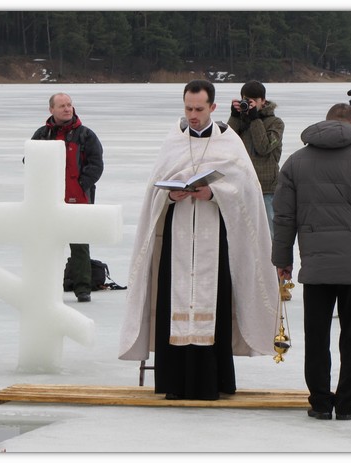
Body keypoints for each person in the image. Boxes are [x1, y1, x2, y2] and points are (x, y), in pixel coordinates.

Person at [118, 79, 278, 401]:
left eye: (199, 109)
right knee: (173, 299)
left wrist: (214, 192)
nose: (193, 115)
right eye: (188, 108)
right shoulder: (172, 141)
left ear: (213, 108)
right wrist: (171, 196)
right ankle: (173, 382)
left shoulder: (229, 143)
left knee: (213, 300)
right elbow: (153, 193)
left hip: (213, 236)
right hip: (177, 238)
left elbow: (247, 190)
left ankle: (212, 381)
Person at [272, 103, 351, 420]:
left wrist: (283, 259)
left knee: (317, 338)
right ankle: (347, 404)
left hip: (315, 267)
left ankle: (320, 403)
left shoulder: (295, 163)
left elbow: (283, 218)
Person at [31, 93, 104, 303]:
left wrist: (81, 185)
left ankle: (82, 288)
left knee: (80, 245)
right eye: (62, 106)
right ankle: (44, 285)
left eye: (69, 105)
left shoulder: (86, 135)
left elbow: (96, 165)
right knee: (47, 244)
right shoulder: (42, 135)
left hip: (78, 200)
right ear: (51, 110)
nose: (67, 109)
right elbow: (30, 161)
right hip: (49, 200)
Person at [227, 80, 284, 238]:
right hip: (242, 186)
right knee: (242, 235)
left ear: (263, 101)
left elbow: (263, 147)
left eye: (253, 101)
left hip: (266, 189)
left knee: (269, 235)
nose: (249, 105)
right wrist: (234, 116)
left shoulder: (276, 123)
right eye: (246, 100)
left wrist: (255, 120)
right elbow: (226, 144)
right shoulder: (240, 121)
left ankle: (273, 263)